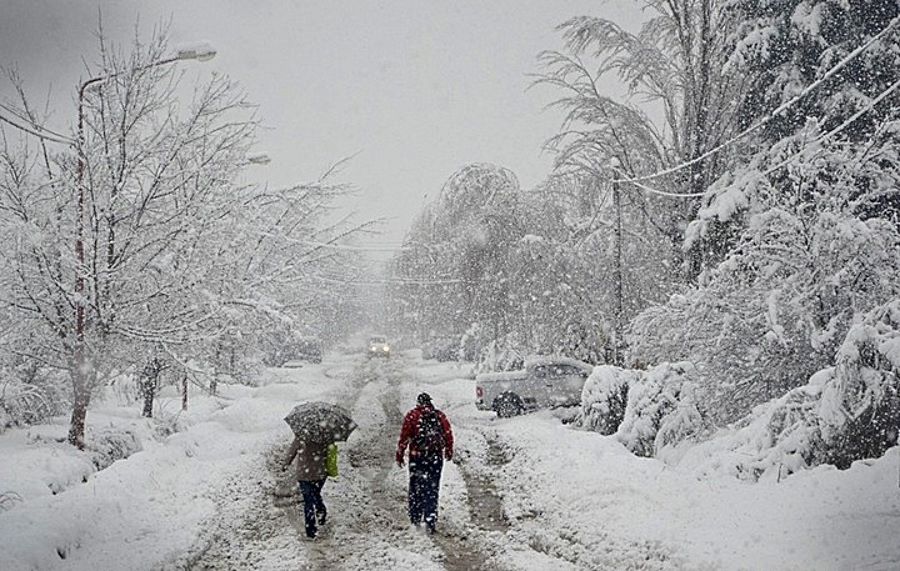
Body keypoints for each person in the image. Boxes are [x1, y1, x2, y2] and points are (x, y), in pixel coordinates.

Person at [395, 392, 454, 533]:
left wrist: (400, 453)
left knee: (416, 487)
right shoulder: (439, 416)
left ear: (418, 403)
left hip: (418, 458)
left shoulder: (412, 416)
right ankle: (430, 519)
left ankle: (415, 518)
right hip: (435, 457)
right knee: (432, 488)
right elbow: (448, 434)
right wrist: (449, 450)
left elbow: (404, 436)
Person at [282, 436, 330, 539]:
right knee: (316, 494)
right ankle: (321, 511)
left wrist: (286, 464)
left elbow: (292, 451)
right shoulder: (325, 435)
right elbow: (330, 453)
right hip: (320, 474)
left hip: (304, 474)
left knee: (308, 501)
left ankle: (311, 530)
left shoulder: (300, 436)